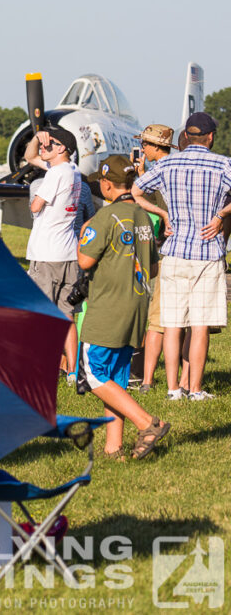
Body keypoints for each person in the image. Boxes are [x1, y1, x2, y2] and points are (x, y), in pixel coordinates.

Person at [132, 112, 231, 401]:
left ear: (186, 136)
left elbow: (137, 191)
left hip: (174, 251)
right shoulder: (223, 163)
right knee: (199, 325)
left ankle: (173, 388)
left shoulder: (169, 163)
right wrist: (221, 215)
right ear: (211, 137)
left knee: (172, 324)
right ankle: (195, 388)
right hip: (207, 250)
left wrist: (162, 213)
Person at [77, 155, 170, 460]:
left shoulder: (106, 218)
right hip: (137, 307)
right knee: (115, 376)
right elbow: (153, 268)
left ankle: (147, 423)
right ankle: (112, 446)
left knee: (93, 375)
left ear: (106, 185)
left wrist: (83, 234)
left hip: (109, 306)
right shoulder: (143, 215)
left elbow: (84, 260)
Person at [22, 127, 82, 381]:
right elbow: (29, 157)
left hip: (46, 253)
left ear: (62, 149)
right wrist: (38, 138)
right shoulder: (73, 171)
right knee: (67, 314)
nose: (45, 147)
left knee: (42, 314)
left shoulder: (55, 174)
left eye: (51, 143)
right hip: (69, 251)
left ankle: (43, 366)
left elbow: (36, 205)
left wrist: (35, 201)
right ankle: (72, 370)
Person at [131, 124, 175, 393]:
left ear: (157, 147)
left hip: (171, 245)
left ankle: (146, 379)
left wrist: (162, 214)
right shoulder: (168, 167)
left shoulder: (163, 168)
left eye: (146, 144)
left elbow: (140, 194)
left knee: (158, 318)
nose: (143, 149)